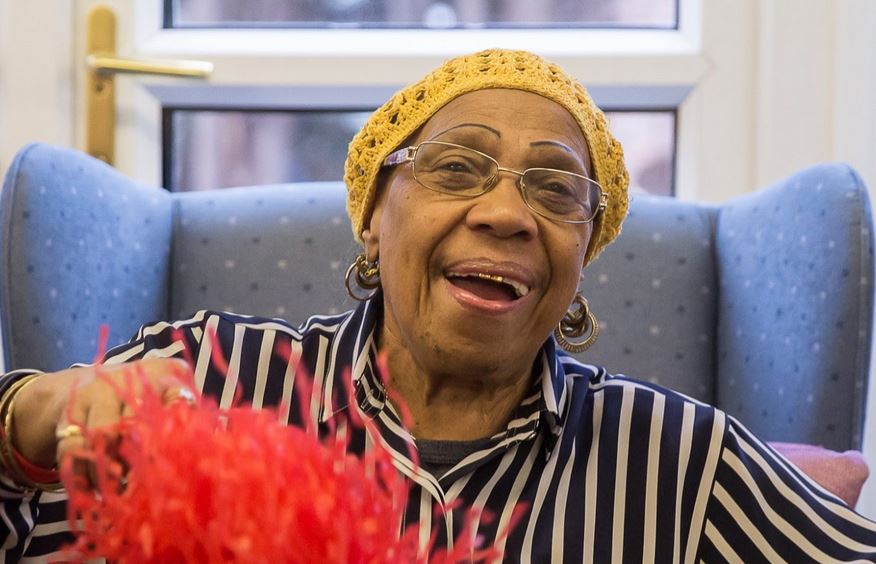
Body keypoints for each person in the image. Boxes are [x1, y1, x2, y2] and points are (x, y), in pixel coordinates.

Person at [1, 48, 875, 562]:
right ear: (374, 219)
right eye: (457, 167)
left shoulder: (683, 466)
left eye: (555, 190)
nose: (504, 212)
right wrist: (28, 415)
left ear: (581, 257)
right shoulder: (210, 381)